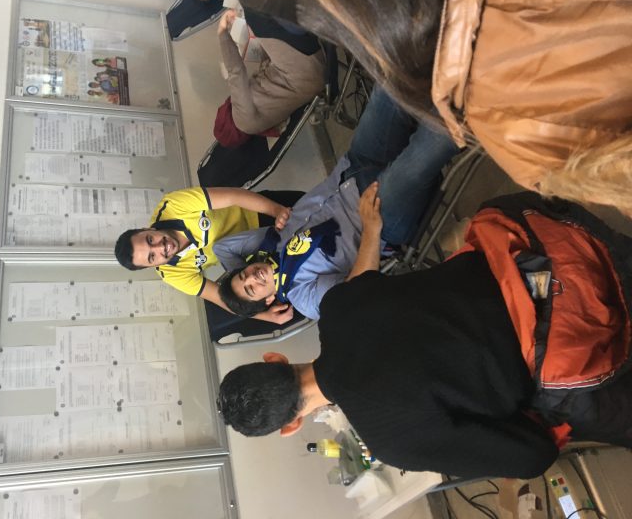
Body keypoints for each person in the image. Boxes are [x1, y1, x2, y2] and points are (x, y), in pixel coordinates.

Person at [218, 192, 632, 479]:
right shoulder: (338, 309)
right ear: (274, 359)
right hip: (545, 248)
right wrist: (371, 228)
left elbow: (534, 456)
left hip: (571, 338)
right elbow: (362, 277)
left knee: (584, 413)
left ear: (291, 425)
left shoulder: (392, 441)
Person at [206, 0, 632, 216]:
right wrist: (226, 38)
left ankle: (440, 112)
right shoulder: (246, 119)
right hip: (353, 140)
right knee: (390, 145)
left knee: (397, 111)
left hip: (418, 83)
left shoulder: (518, 137)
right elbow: (245, 74)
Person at [214, 86, 459, 320]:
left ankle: (449, 67)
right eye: (251, 289)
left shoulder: (268, 244)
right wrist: (372, 230)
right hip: (379, 215)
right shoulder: (302, 296)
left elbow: (222, 248)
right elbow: (356, 290)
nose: (252, 277)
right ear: (268, 300)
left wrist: (240, 285)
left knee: (389, 84)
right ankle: (468, 88)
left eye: (243, 275)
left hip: (353, 169)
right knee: (433, 138)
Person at [114, 187, 299, 324]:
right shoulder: (171, 274)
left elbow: (235, 196)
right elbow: (222, 297)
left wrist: (277, 212)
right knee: (258, 292)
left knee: (308, 210)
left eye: (150, 240)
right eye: (152, 257)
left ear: (147, 229)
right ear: (153, 266)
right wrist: (264, 316)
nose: (160, 247)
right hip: (254, 260)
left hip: (257, 214)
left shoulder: (172, 206)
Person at [217, 7, 324, 137]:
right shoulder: (241, 121)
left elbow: (269, 72)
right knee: (255, 15)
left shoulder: (258, 125)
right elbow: (236, 71)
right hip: (304, 69)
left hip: (311, 78)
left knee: (259, 23)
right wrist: (222, 32)